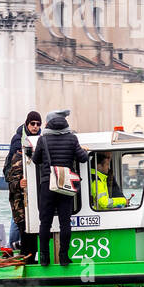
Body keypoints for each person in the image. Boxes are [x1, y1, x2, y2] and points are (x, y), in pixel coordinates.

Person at [32, 112, 89, 266]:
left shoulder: (42, 139)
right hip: (65, 185)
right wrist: (84, 150)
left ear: (48, 125)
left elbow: (36, 160)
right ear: (65, 124)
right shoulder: (72, 138)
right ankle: (63, 256)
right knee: (65, 223)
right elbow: (83, 158)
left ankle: (44, 257)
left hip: (47, 185)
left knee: (45, 223)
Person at [4, 111, 41, 261]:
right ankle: (13, 246)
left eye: (38, 124)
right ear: (27, 124)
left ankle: (26, 254)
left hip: (31, 191)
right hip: (19, 192)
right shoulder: (17, 141)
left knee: (28, 226)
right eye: (33, 124)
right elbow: (13, 170)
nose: (35, 127)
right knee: (19, 222)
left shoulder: (39, 139)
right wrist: (18, 183)